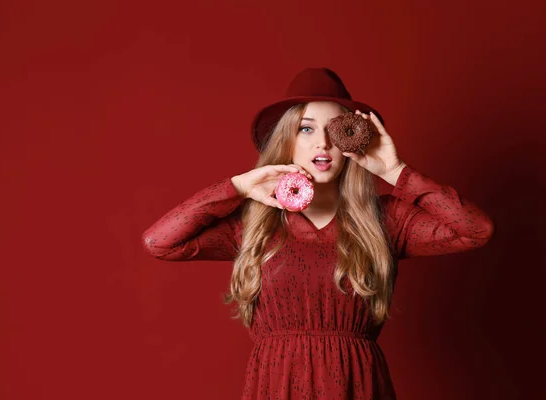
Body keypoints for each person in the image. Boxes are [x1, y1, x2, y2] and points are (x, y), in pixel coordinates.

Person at [141, 67, 495, 399]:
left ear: (353, 141)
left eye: (334, 129)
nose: (322, 143)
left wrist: (395, 171)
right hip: (276, 386)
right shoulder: (254, 223)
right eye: (306, 129)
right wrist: (238, 187)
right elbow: (160, 242)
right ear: (286, 139)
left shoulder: (384, 218)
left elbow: (476, 231)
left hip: (358, 385)